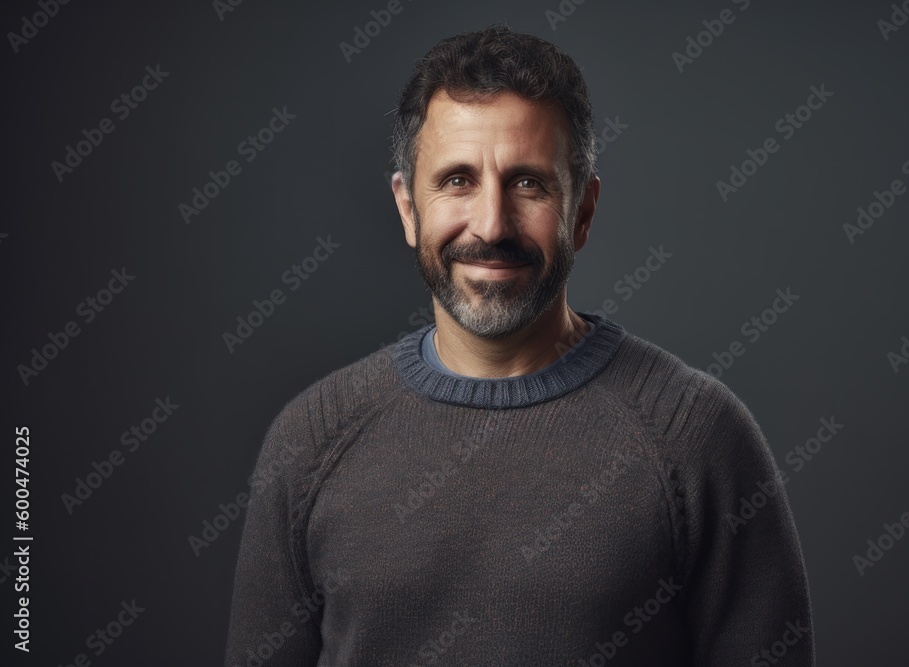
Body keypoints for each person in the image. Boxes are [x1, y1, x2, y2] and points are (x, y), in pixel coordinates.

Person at [225, 23, 815, 666]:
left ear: (583, 211)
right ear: (406, 208)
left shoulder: (697, 438)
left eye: (528, 183)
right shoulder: (311, 440)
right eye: (456, 181)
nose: (491, 224)